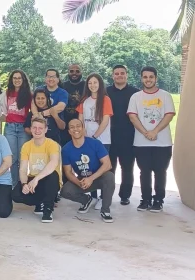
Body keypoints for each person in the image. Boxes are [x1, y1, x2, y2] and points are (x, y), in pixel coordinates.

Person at [127, 66, 176, 212]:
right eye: (145, 77)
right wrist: (145, 133)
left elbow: (169, 114)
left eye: (151, 77)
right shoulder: (136, 97)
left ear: (156, 78)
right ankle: (145, 200)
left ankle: (158, 200)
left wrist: (155, 131)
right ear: (141, 78)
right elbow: (132, 116)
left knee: (160, 171)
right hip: (141, 142)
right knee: (144, 172)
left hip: (163, 142)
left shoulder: (165, 95)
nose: (148, 80)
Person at [60, 119, 115, 223]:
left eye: (78, 126)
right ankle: (86, 200)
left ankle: (105, 210)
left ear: (83, 129)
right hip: (83, 179)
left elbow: (108, 164)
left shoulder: (95, 143)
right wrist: (79, 182)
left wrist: (91, 178)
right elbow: (68, 172)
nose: (75, 129)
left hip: (98, 177)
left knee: (109, 177)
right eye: (72, 127)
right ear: (69, 131)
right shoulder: (66, 149)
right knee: (65, 191)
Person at [12, 117, 61, 223]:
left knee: (53, 176)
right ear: (30, 129)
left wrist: (36, 179)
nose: (37, 130)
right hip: (35, 180)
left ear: (45, 129)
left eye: (40, 128)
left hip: (49, 179)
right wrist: (24, 184)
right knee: (16, 195)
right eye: (34, 128)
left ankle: (48, 209)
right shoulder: (26, 146)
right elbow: (23, 169)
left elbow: (53, 163)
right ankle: (40, 203)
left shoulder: (52, 144)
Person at [77, 73, 113, 210]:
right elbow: (80, 118)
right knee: (89, 168)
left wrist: (95, 136)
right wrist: (83, 133)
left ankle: (103, 197)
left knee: (102, 169)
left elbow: (105, 120)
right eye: (90, 83)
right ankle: (92, 196)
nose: (93, 85)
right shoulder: (84, 100)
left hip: (102, 140)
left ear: (100, 84)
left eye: (95, 82)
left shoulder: (106, 100)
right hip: (86, 139)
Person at [107, 65, 140, 206]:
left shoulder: (135, 93)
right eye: (116, 73)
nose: (119, 75)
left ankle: (125, 195)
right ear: (112, 76)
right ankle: (106, 195)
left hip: (129, 136)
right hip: (109, 136)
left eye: (122, 73)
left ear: (127, 75)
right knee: (109, 168)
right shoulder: (106, 92)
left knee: (127, 168)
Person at [4, 70, 32, 187]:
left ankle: (23, 183)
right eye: (14, 78)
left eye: (19, 78)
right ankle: (14, 185)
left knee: (23, 158)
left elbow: (33, 111)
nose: (17, 80)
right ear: (11, 80)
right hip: (10, 127)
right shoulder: (7, 93)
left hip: (23, 128)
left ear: (23, 80)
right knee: (12, 158)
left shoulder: (28, 94)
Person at [32, 69, 69, 142]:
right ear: (45, 79)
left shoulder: (63, 93)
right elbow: (33, 104)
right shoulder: (39, 90)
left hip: (56, 130)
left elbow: (60, 107)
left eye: (53, 77)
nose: (51, 79)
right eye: (49, 76)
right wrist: (36, 115)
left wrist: (41, 114)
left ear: (58, 79)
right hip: (39, 129)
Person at [61, 64, 85, 145]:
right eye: (71, 71)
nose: (74, 73)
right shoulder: (62, 86)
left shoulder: (86, 86)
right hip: (64, 125)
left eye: (77, 71)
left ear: (81, 72)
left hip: (82, 124)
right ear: (68, 72)